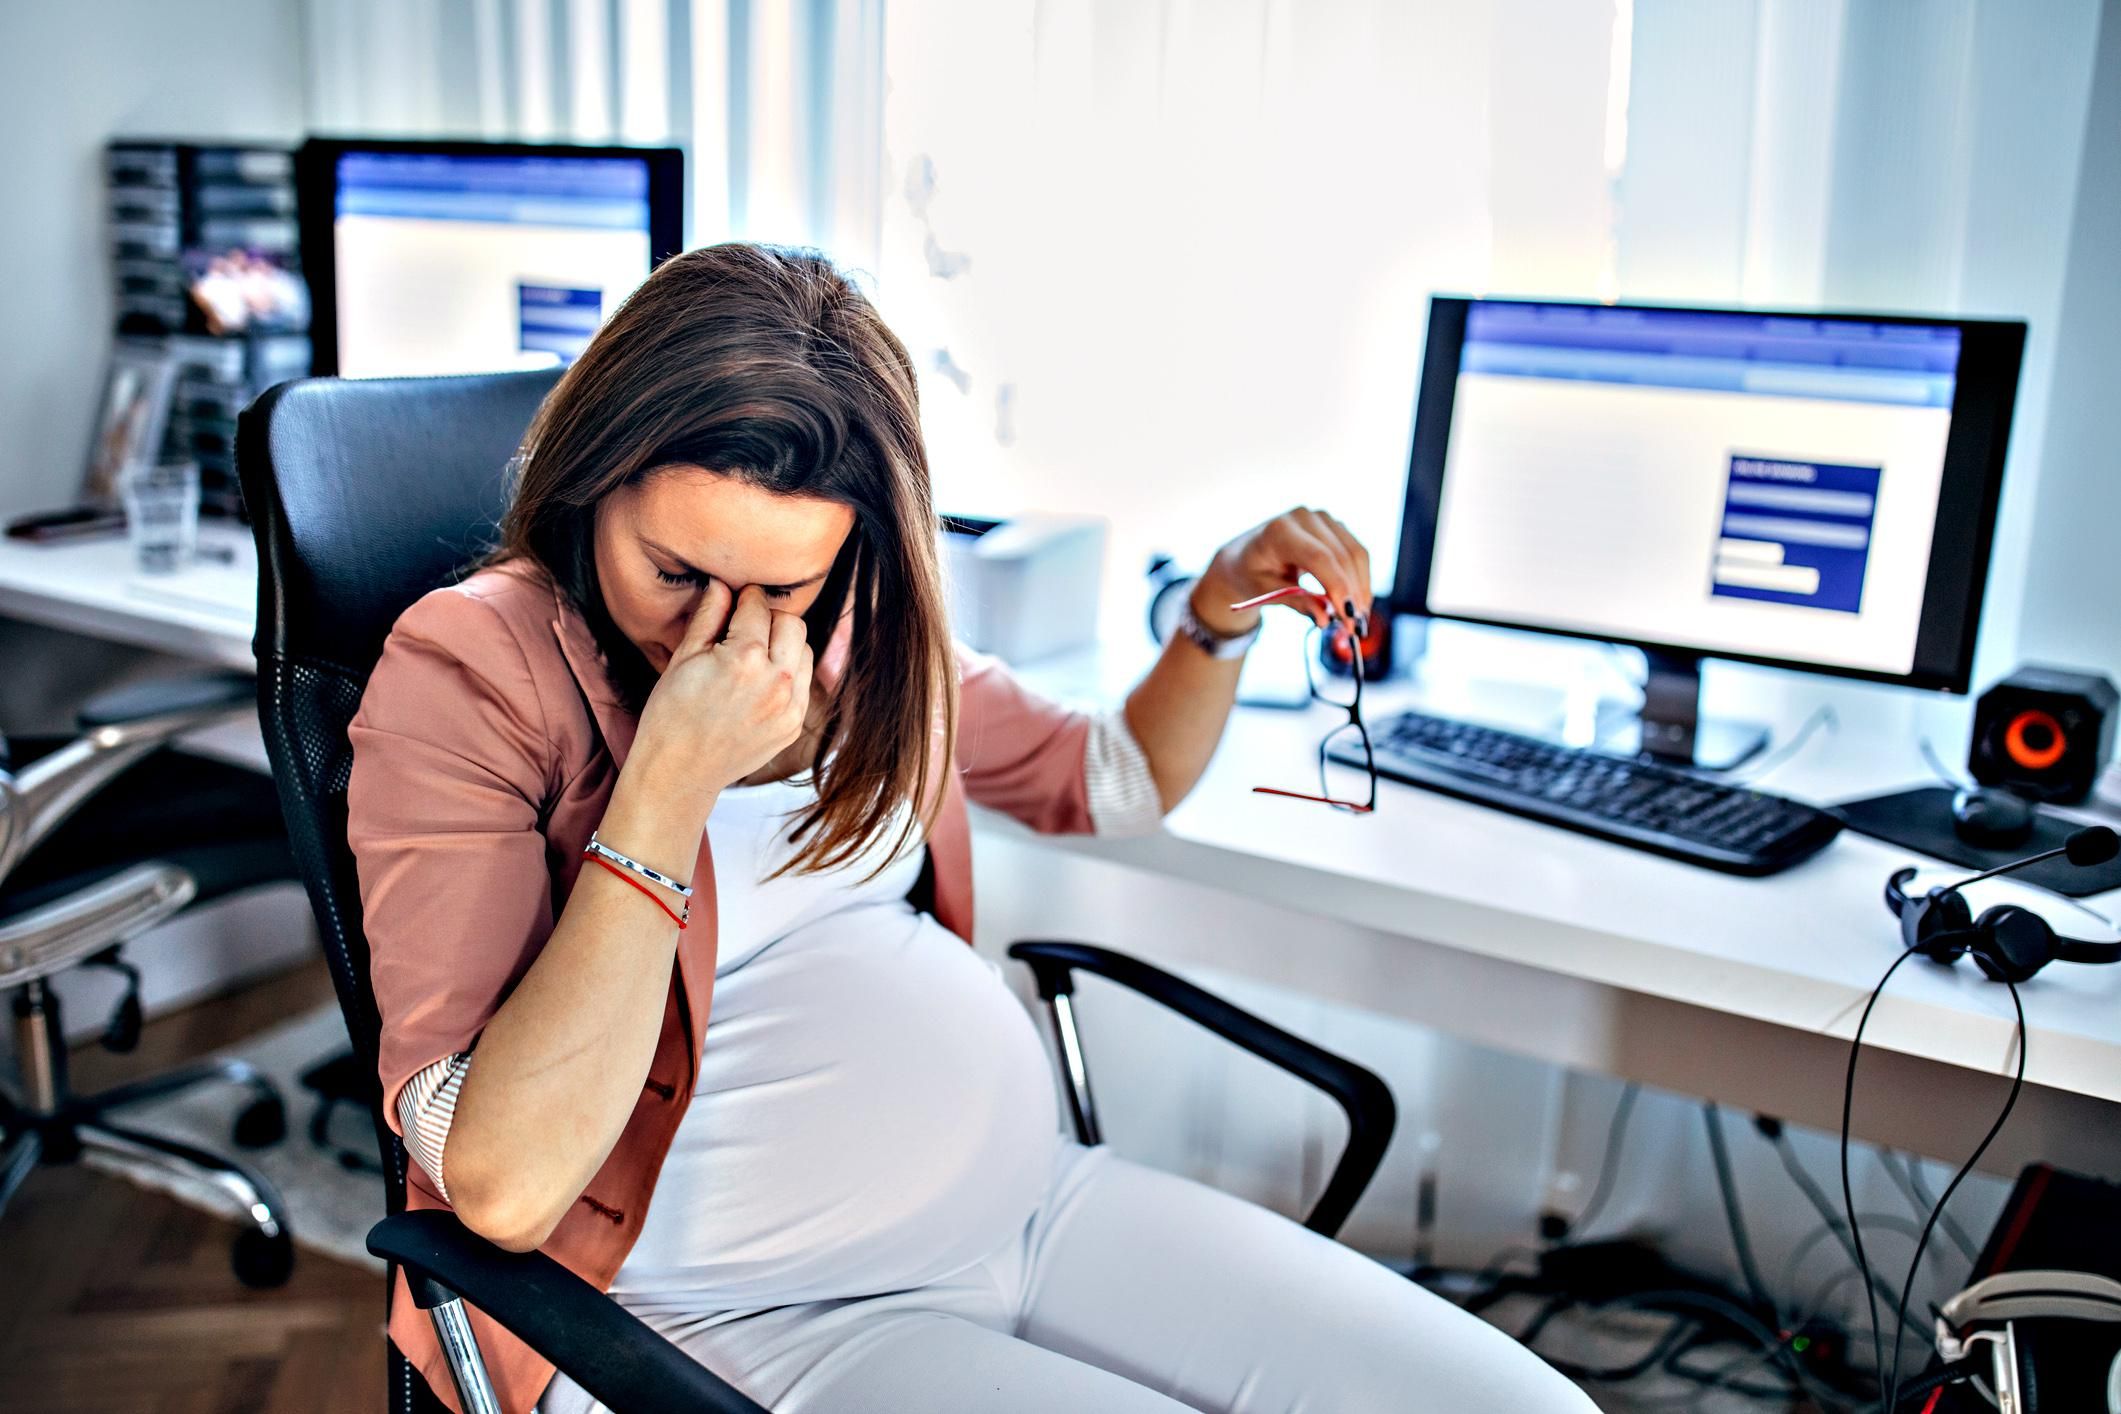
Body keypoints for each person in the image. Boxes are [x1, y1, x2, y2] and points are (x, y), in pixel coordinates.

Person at [347, 242, 1593, 1414]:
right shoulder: (473, 665)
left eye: (781, 585)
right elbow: (496, 1180)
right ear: (588, 484)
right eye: (675, 573)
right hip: (736, 1311)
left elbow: (1110, 778)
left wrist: (1215, 615)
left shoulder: (863, 626)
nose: (725, 635)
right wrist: (670, 779)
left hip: (1035, 1208)